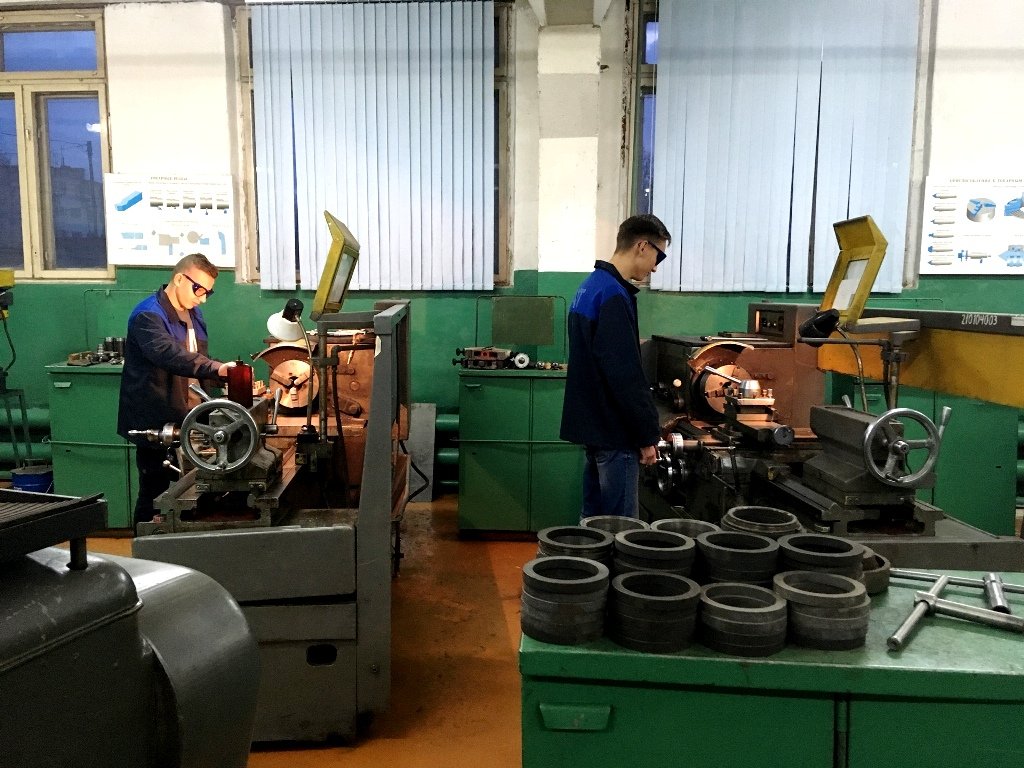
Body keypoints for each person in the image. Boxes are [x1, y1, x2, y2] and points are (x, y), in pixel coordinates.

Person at [560, 214, 671, 519]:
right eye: (658, 256)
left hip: (595, 429)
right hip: (615, 434)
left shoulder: (590, 287)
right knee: (620, 528)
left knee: (594, 521)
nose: (655, 267)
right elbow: (624, 374)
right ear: (642, 246)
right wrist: (647, 436)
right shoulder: (613, 295)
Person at [117, 253, 231, 528]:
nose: (203, 299)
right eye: (199, 289)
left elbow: (196, 360)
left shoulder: (194, 314)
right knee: (154, 494)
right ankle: (145, 545)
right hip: (157, 421)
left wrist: (227, 378)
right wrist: (217, 369)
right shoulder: (148, 315)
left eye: (208, 293)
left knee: (191, 493)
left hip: (189, 418)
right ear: (180, 278)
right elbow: (170, 356)